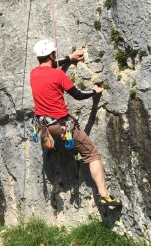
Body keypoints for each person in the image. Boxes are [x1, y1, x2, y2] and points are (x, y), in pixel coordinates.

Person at [29, 39, 121, 206]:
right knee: (92, 154)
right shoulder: (58, 75)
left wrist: (69, 58)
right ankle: (104, 194)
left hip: (43, 127)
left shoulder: (33, 73)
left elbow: (51, 64)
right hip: (61, 126)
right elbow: (77, 94)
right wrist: (94, 91)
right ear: (51, 54)